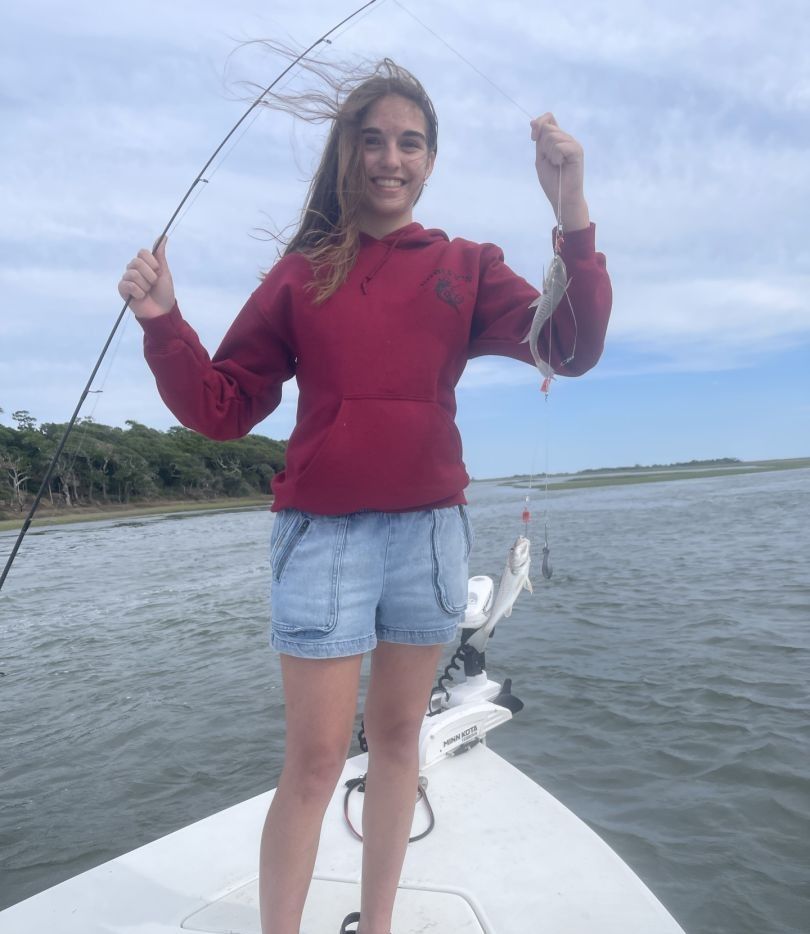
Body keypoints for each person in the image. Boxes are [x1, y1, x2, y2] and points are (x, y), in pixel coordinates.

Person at [117, 59, 611, 934]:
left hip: (429, 538)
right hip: (322, 538)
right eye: (373, 139)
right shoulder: (302, 274)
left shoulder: (465, 264)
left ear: (430, 160)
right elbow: (224, 407)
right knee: (311, 765)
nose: (391, 158)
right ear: (348, 154)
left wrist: (569, 207)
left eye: (409, 143)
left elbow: (568, 346)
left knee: (397, 748)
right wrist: (165, 321)